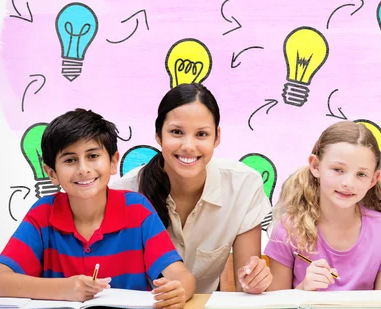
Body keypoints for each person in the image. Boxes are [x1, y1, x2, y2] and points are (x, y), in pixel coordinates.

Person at [0, 109, 195, 309]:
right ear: (52, 173)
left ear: (113, 162)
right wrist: (65, 288)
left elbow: (181, 276)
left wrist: (179, 291)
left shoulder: (137, 209)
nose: (83, 169)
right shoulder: (43, 213)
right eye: (70, 160)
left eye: (93, 156)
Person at [110, 84, 273, 294]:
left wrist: (255, 280)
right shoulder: (126, 192)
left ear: (217, 137)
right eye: (176, 132)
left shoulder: (243, 185)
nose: (188, 146)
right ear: (158, 135)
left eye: (201, 134)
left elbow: (245, 284)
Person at [264, 121, 381, 292]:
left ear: (373, 179)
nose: (348, 183)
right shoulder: (288, 229)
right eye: (338, 169)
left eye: (361, 174)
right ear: (316, 166)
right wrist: (303, 289)